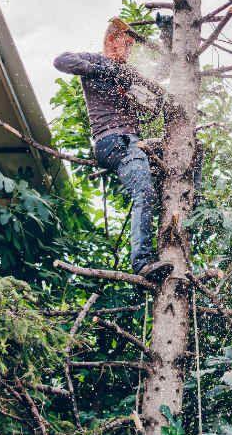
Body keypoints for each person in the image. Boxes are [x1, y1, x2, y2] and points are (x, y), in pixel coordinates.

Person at [53, 19, 167, 276]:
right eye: (125, 44)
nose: (129, 51)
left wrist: (167, 37)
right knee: (144, 193)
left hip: (133, 141)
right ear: (111, 40)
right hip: (113, 140)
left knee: (179, 157)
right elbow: (61, 61)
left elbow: (159, 81)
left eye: (131, 46)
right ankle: (142, 261)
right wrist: (101, 71)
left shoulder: (129, 74)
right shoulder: (97, 61)